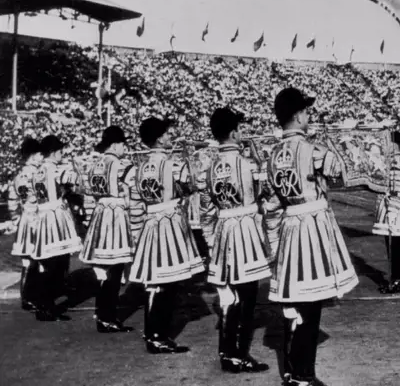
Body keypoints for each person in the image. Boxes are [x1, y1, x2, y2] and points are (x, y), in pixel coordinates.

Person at [267, 87, 359, 386]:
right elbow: (344, 171)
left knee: (295, 302)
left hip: (289, 226)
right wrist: (336, 140)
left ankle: (294, 370)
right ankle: (302, 374)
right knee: (312, 301)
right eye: (306, 112)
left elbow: (270, 204)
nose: (309, 117)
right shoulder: (313, 150)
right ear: (298, 115)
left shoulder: (272, 154)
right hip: (312, 225)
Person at [128, 117, 205, 354]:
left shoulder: (139, 167)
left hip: (151, 222)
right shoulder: (172, 164)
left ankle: (154, 334)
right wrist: (191, 158)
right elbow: (194, 185)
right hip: (170, 222)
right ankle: (157, 336)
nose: (171, 137)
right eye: (168, 134)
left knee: (155, 281)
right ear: (160, 138)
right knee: (167, 282)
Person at [203, 107, 271, 373]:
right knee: (247, 295)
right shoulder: (249, 164)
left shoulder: (209, 168)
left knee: (229, 294)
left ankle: (227, 350)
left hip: (222, 229)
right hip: (244, 230)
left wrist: (210, 238)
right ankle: (238, 354)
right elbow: (264, 194)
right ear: (234, 132)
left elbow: (206, 209)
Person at [78, 126, 135, 333]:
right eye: (122, 143)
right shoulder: (119, 165)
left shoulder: (95, 165)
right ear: (115, 144)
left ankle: (102, 313)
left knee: (103, 268)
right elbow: (132, 190)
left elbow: (87, 192)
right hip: (115, 214)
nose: (125, 147)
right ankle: (107, 317)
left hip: (100, 212)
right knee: (115, 266)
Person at [30, 135, 83, 321]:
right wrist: (76, 166)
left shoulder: (37, 171)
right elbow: (76, 180)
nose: (63, 154)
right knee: (55, 264)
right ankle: (46, 306)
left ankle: (44, 304)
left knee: (49, 263)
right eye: (60, 151)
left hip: (43, 215)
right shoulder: (55, 169)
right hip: (55, 217)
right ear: (53, 152)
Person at [372, 130, 400, 294]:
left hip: (392, 207)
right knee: (392, 249)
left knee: (394, 249)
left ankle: (396, 281)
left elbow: (396, 188)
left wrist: (392, 210)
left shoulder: (395, 160)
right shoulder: (393, 159)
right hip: (390, 205)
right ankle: (394, 279)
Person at [9, 137, 42, 311]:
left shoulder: (17, 176)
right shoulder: (37, 174)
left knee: (27, 261)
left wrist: (16, 219)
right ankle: (31, 297)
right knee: (36, 259)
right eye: (39, 154)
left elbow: (12, 202)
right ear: (34, 155)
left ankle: (27, 297)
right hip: (36, 219)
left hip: (24, 220)